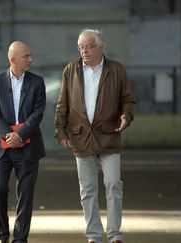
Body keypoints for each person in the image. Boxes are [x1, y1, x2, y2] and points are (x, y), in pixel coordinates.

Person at [54, 29, 136, 243]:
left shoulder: (116, 70)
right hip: (81, 137)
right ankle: (93, 236)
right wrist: (60, 130)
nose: (84, 51)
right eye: (81, 47)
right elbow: (63, 104)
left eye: (89, 46)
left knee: (113, 184)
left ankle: (115, 234)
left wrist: (126, 116)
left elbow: (128, 99)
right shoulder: (70, 70)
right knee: (87, 189)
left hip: (109, 135)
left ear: (101, 47)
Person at [0, 41, 46, 243]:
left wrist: (19, 134)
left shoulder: (37, 82)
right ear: (13, 59)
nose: (31, 59)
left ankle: (20, 239)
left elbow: (38, 113)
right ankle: (2, 236)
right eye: (26, 56)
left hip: (28, 147)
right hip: (1, 147)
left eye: (30, 55)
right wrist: (8, 136)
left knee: (26, 193)